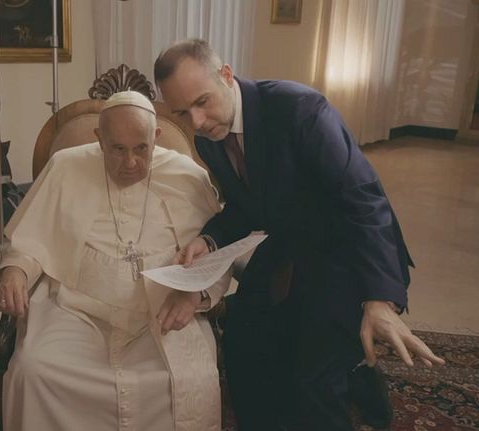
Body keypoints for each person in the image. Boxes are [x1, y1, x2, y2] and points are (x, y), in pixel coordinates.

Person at [154, 38, 445, 431]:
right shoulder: (209, 137)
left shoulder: (301, 110)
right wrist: (209, 239)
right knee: (242, 341)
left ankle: (356, 378)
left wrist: (378, 299)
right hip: (288, 246)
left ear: (226, 75)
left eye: (202, 102)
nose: (197, 122)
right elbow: (246, 205)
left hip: (347, 251)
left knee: (314, 382)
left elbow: (363, 201)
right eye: (182, 113)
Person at [0, 90, 228, 431]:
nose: (130, 163)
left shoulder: (187, 176)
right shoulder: (65, 167)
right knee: (33, 369)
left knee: (189, 377)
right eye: (117, 149)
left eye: (141, 148)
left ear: (156, 137)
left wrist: (196, 295)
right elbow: (30, 239)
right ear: (99, 139)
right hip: (75, 309)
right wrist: (15, 270)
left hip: (159, 312)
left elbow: (215, 254)